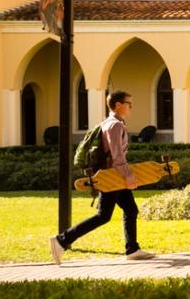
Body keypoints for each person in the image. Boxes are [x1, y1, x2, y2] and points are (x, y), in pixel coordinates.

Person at [49, 91, 154, 263]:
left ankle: (133, 249)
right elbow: (117, 155)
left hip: (113, 175)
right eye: (129, 104)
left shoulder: (110, 123)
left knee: (130, 209)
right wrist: (127, 175)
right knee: (103, 216)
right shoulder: (115, 125)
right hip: (112, 177)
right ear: (118, 105)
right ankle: (62, 240)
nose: (131, 107)